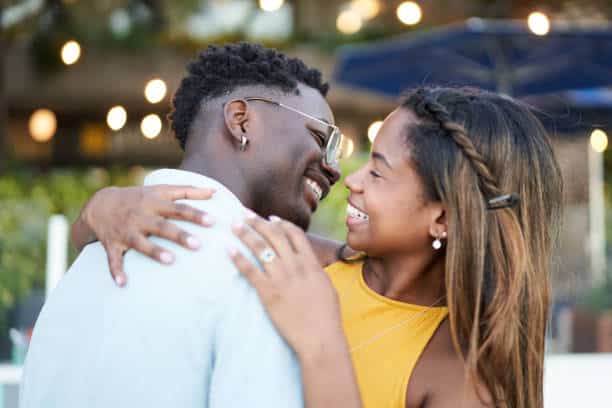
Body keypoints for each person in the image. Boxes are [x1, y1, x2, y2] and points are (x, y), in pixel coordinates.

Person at [76, 86, 563, 408]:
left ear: (444, 217)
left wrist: (321, 343)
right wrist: (104, 206)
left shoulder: (461, 376)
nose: (351, 181)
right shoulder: (303, 262)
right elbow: (106, 241)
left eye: (378, 172)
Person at [20, 43, 362, 408]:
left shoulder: (88, 262)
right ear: (241, 120)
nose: (334, 169)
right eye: (321, 139)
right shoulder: (261, 273)